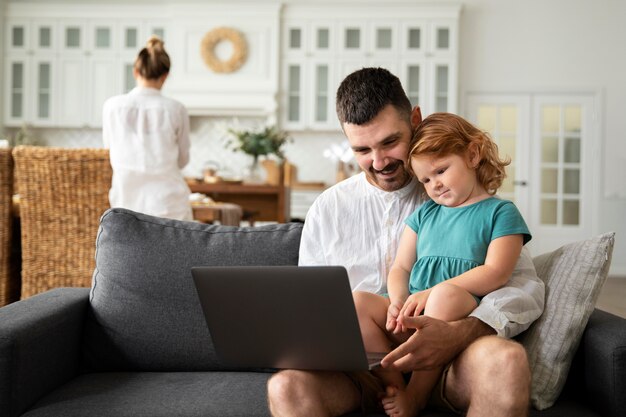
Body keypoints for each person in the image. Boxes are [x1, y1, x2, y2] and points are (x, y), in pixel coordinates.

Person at [267, 67, 544, 417]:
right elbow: (313, 304)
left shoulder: (462, 196)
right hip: (365, 369)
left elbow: (523, 287)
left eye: (389, 142)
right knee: (285, 386)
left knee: (506, 361)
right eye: (362, 150)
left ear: (415, 119)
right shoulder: (328, 209)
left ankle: (418, 392)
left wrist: (458, 333)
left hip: (454, 359)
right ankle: (397, 389)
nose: (379, 162)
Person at [354, 112, 532, 417]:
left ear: (473, 154)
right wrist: (398, 300)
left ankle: (417, 394)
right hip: (411, 311)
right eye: (425, 179)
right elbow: (401, 268)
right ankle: (394, 383)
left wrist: (432, 292)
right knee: (357, 302)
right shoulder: (425, 215)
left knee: (444, 295)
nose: (434, 184)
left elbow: (496, 273)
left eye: (440, 171)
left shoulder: (501, 213)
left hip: (452, 313)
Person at [103, 36, 193, 221]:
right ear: (165, 76)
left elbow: (109, 150)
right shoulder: (175, 109)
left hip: (124, 202)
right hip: (168, 202)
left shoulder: (112, 106)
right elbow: (183, 159)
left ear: (136, 71)